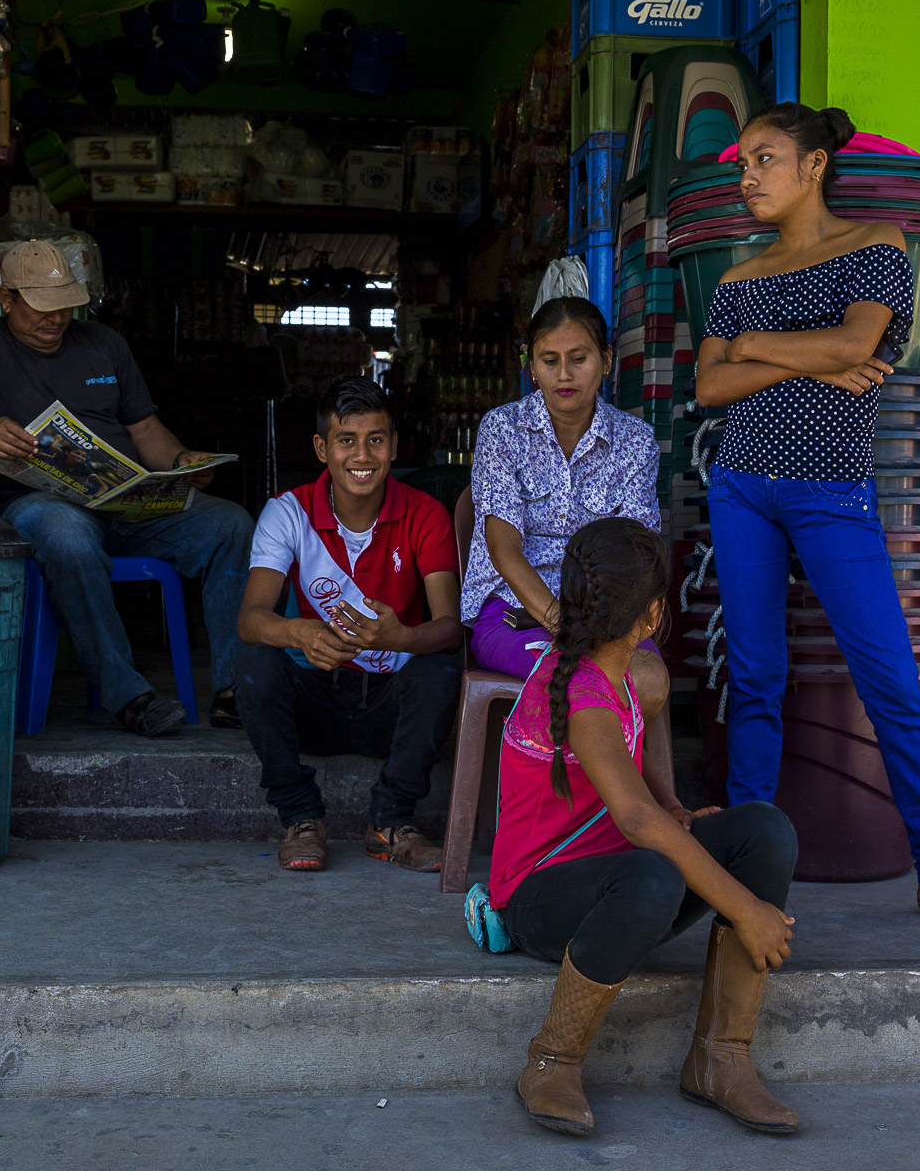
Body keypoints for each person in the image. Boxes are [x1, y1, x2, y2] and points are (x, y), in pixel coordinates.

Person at [694, 102, 920, 929]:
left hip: (831, 490)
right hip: (741, 482)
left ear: (814, 165)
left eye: (764, 159)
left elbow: (858, 348)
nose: (747, 177)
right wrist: (799, 357)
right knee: (754, 680)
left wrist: (755, 349)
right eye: (742, 163)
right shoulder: (738, 278)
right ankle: (745, 870)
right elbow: (709, 388)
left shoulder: (877, 247)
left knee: (890, 681)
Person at [495, 518, 800, 1137]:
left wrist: (676, 807)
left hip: (613, 872)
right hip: (538, 896)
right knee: (652, 874)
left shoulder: (625, 667)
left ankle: (720, 1058)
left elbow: (641, 787)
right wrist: (747, 909)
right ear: (654, 613)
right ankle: (552, 1059)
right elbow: (634, 820)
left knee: (764, 831)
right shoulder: (581, 691)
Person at [0, 240, 253, 738]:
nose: (57, 319)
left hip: (129, 505)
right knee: (66, 532)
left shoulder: (105, 343)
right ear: (7, 299)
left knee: (230, 524)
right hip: (43, 508)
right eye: (43, 307)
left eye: (66, 304)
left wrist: (180, 462)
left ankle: (235, 690)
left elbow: (146, 431)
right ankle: (128, 695)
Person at [236, 377, 463, 873]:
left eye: (376, 440)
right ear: (322, 448)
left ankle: (390, 822)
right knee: (253, 662)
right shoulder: (286, 513)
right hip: (315, 699)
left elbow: (450, 628)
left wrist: (403, 637)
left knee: (440, 669)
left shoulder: (426, 514)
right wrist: (299, 632)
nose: (362, 456)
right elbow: (251, 621)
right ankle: (299, 817)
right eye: (346, 440)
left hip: (391, 706)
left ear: (395, 446)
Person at [464, 295, 675, 787]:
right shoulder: (503, 430)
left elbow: (637, 553)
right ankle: (595, 813)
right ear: (530, 365)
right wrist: (564, 625)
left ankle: (633, 808)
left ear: (605, 360)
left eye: (578, 359)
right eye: (549, 360)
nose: (564, 375)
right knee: (593, 678)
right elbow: (503, 549)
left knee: (648, 676)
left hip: (608, 611)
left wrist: (601, 624)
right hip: (514, 610)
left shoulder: (635, 440)